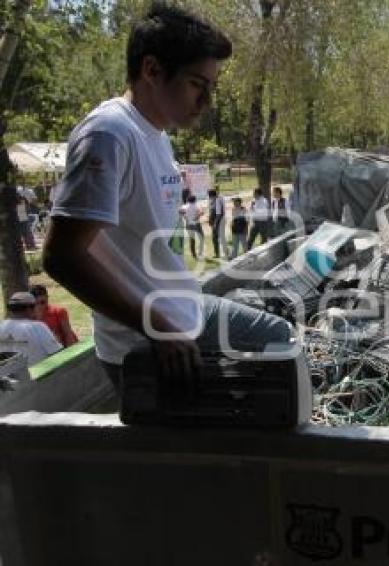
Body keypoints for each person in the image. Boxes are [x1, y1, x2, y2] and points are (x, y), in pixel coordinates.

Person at [44, 3, 295, 388]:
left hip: (187, 309)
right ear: (152, 70)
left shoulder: (157, 136)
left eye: (211, 88)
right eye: (197, 84)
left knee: (282, 338)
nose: (206, 102)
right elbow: (61, 257)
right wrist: (158, 328)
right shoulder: (109, 134)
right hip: (150, 339)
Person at [0, 292, 62, 365]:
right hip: (37, 374)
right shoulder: (38, 327)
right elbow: (57, 354)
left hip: (7, 375)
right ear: (30, 308)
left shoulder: (2, 326)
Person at [181, 194, 205, 260]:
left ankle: (194, 254)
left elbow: (180, 212)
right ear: (195, 200)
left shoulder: (184, 206)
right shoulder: (196, 205)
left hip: (188, 224)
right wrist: (196, 217)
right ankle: (200, 252)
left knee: (192, 240)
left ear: (188, 200)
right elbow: (202, 212)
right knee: (201, 237)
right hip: (196, 223)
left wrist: (186, 218)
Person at [208, 188, 225, 258]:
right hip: (215, 222)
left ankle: (219, 253)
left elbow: (218, 214)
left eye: (209, 195)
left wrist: (215, 224)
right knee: (216, 238)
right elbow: (212, 212)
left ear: (211, 195)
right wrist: (210, 219)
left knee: (217, 238)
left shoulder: (217, 201)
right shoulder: (213, 200)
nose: (209, 197)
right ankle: (218, 253)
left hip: (218, 222)